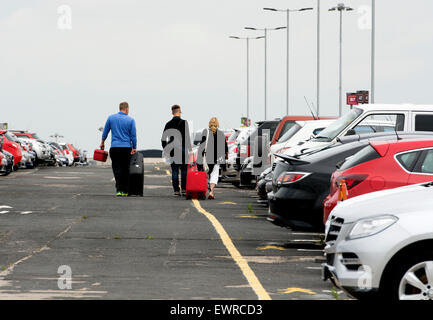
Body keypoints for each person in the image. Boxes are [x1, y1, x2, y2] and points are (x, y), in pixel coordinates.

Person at [100, 102, 137, 197]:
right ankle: (125, 190)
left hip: (115, 148)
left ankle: (119, 190)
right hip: (126, 148)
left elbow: (105, 132)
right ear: (127, 109)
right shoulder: (131, 120)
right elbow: (133, 136)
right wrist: (134, 147)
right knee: (126, 169)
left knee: (117, 169)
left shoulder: (111, 118)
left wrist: (102, 143)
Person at [161, 105, 191, 196]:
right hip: (183, 149)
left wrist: (165, 149)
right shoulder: (184, 123)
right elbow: (187, 137)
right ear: (180, 112)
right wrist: (189, 149)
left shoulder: (168, 124)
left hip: (172, 149)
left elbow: (163, 138)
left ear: (172, 113)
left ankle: (176, 190)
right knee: (184, 170)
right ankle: (184, 189)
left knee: (174, 170)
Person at [197, 117, 228, 199]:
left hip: (207, 158)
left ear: (209, 124)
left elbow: (201, 146)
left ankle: (204, 191)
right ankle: (211, 192)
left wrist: (199, 157)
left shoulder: (205, 132)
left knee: (205, 175)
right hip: (217, 159)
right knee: (214, 175)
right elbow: (225, 148)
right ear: (217, 124)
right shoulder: (221, 133)